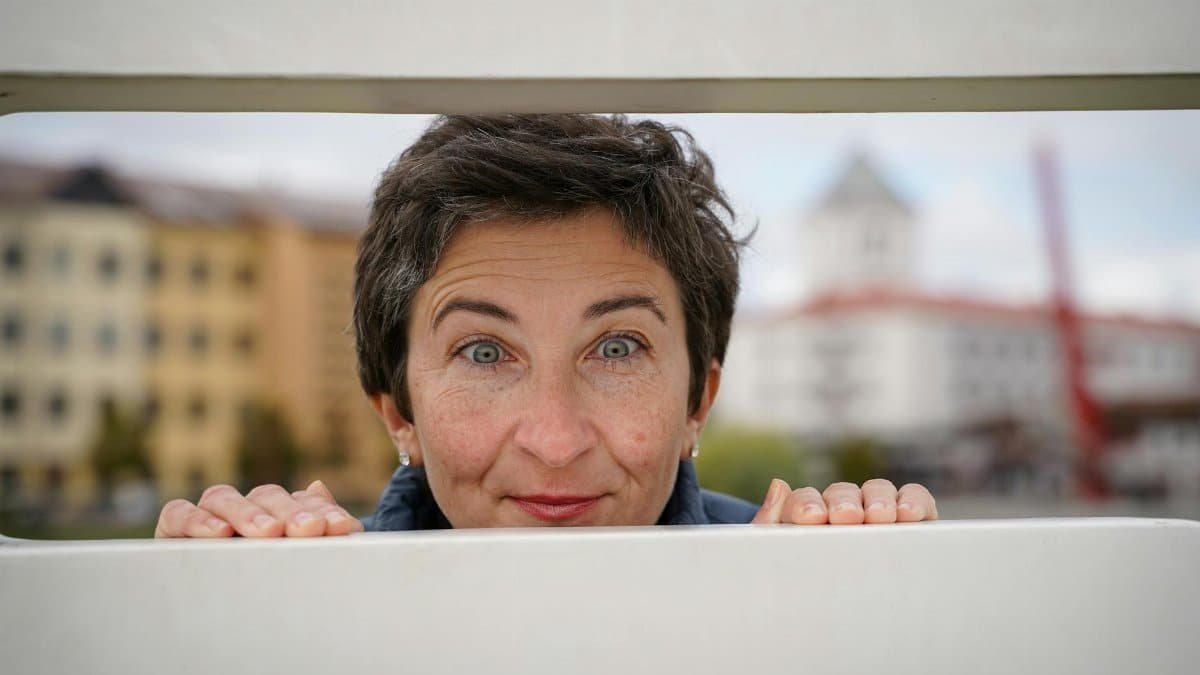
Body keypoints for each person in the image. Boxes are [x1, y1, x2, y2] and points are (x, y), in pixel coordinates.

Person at [154, 114, 937, 538]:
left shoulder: (791, 568)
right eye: (486, 351)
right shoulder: (306, 601)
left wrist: (853, 623)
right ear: (399, 412)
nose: (555, 440)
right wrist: (211, 623)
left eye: (619, 347)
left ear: (698, 399)